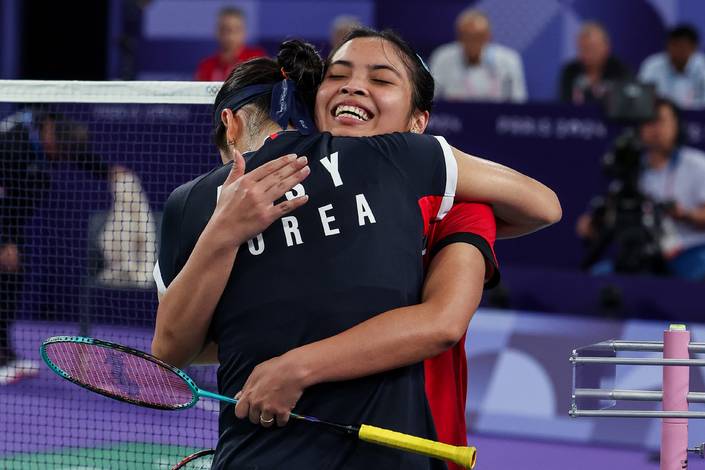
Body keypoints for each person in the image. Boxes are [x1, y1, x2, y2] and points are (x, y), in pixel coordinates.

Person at [153, 37, 560, 469]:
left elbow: (442, 320)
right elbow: (181, 346)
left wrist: (295, 366)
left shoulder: (450, 199)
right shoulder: (216, 201)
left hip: (402, 446)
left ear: (419, 122)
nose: (352, 87)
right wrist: (223, 235)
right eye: (337, 76)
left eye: (380, 79)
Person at [0, 111, 110, 384]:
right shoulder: (11, 148)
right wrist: (4, 242)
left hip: (14, 215)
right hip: (4, 214)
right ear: (48, 134)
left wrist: (106, 172)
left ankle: (4, 351)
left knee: (12, 281)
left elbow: (77, 154)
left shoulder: (52, 129)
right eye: (57, 149)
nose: (58, 156)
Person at [577, 98, 705, 280]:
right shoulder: (630, 171)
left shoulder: (698, 164)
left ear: (676, 125)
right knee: (600, 276)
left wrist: (686, 214)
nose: (654, 129)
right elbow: (610, 216)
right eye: (648, 122)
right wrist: (593, 225)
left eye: (660, 121)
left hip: (691, 251)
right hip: (646, 254)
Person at [428, 9, 527, 102]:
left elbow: (518, 102)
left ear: (488, 37)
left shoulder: (509, 60)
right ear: (459, 36)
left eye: (478, 37)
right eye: (467, 36)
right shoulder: (442, 57)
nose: (472, 42)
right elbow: (430, 98)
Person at [558, 22, 631, 104]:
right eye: (583, 49)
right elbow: (564, 106)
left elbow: (628, 107)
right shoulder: (570, 71)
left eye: (592, 48)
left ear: (606, 47)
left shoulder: (620, 71)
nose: (587, 54)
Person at [638, 24, 705, 109]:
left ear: (693, 48)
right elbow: (643, 98)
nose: (677, 51)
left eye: (682, 46)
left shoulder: (702, 67)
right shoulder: (653, 65)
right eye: (673, 45)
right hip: (661, 118)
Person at [194, 7, 266, 82]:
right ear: (217, 32)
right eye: (225, 29)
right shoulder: (206, 65)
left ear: (244, 32)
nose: (230, 36)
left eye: (236, 30)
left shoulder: (256, 60)